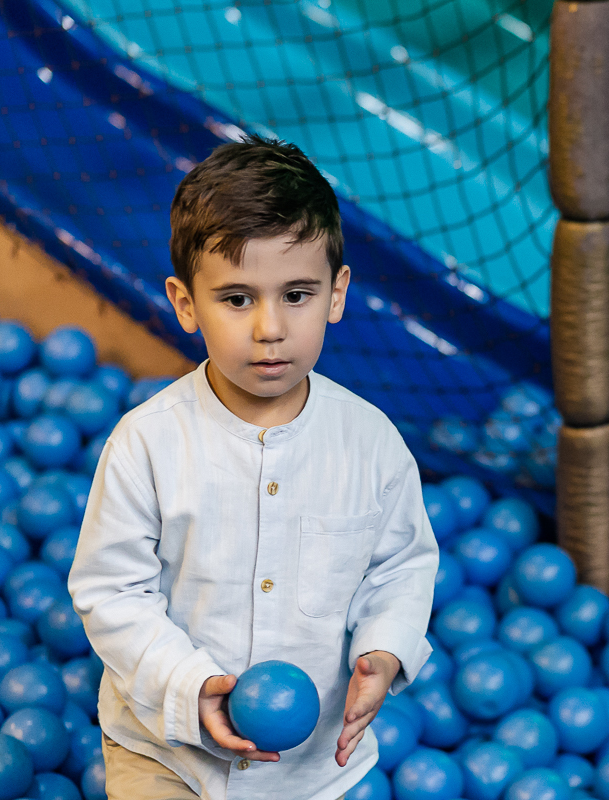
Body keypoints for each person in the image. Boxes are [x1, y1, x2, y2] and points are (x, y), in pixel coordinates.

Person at [69, 134, 439, 800]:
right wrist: (189, 685)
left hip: (314, 772)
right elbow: (111, 590)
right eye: (237, 299)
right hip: (166, 751)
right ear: (186, 304)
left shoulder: (372, 444)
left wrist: (384, 650)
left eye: (296, 294)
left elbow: (401, 566)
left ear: (337, 293)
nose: (270, 327)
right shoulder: (147, 444)